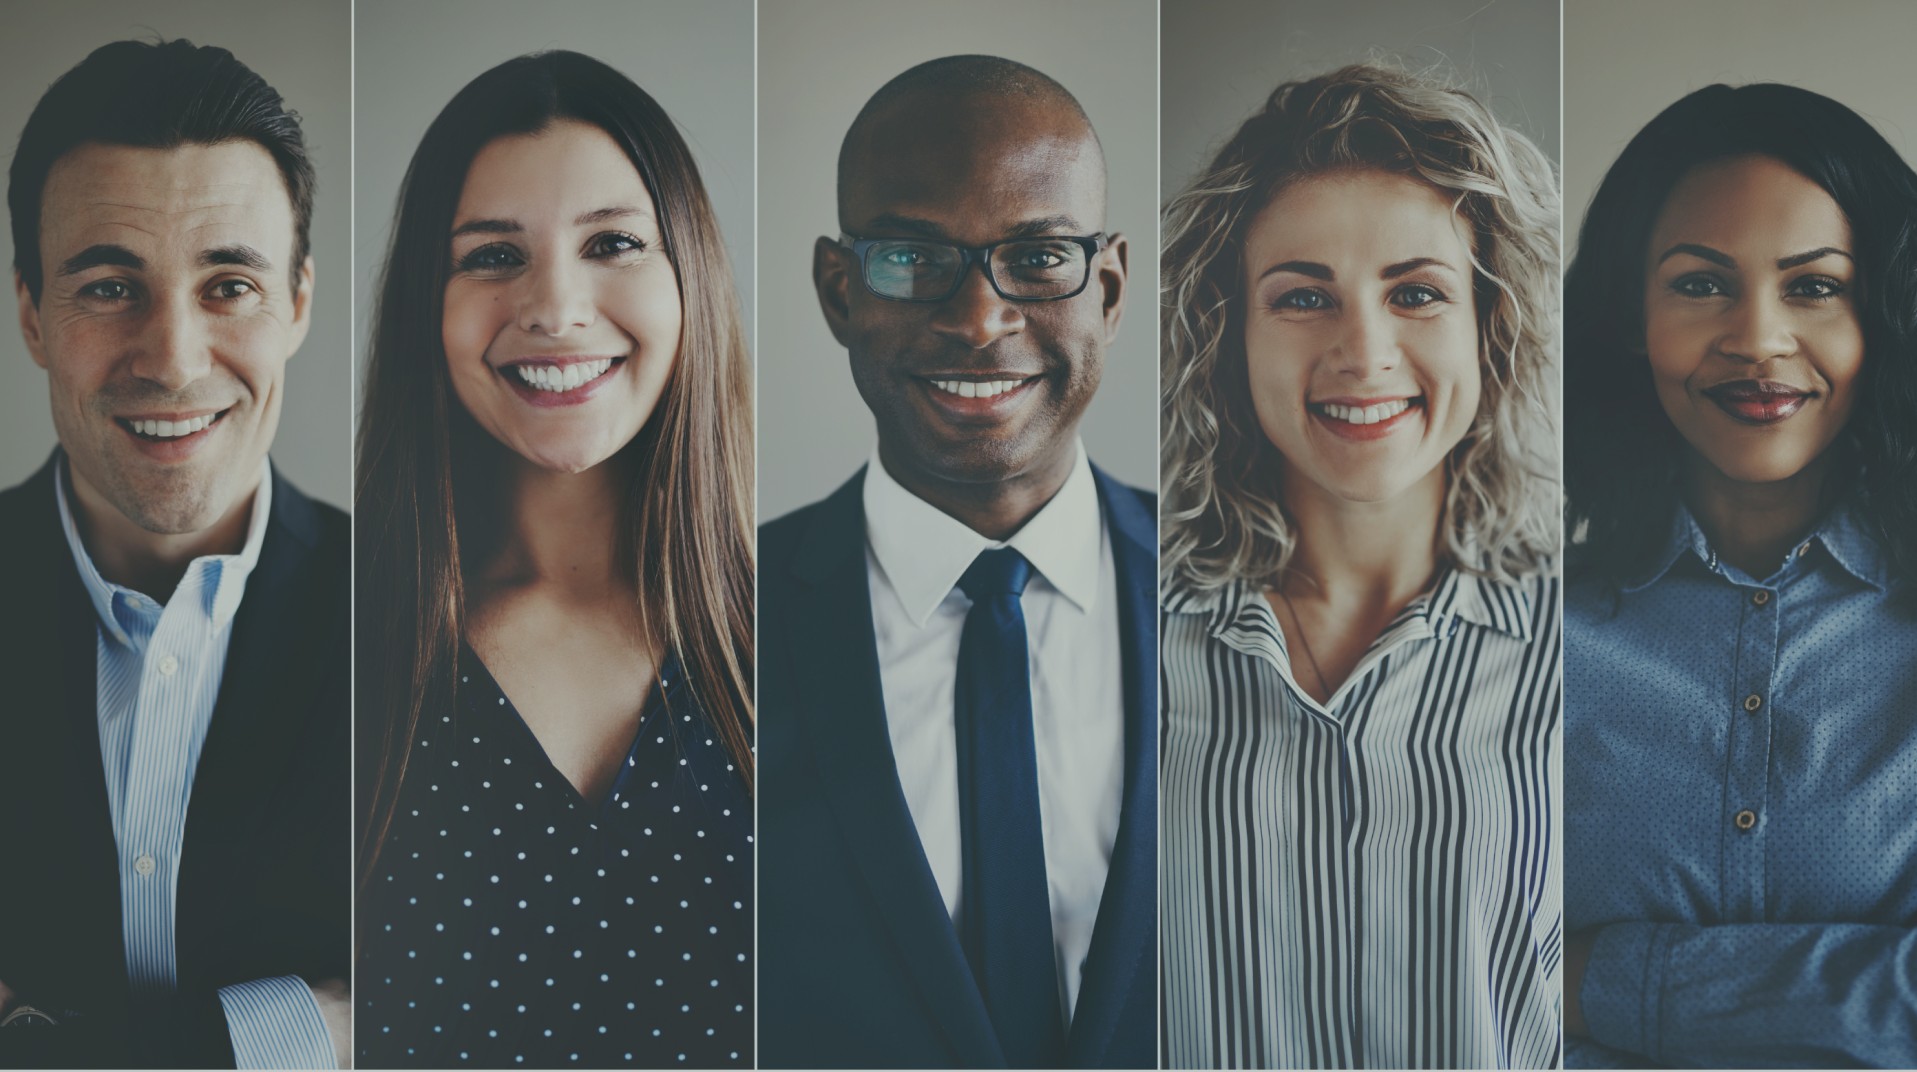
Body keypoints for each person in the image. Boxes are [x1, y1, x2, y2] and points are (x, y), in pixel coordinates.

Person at [353, 51, 755, 1068]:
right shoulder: (332, 635)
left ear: (690, 278)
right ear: (426, 305)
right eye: (493, 255)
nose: (556, 307)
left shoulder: (823, 633)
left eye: (612, 242)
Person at [1158, 64, 1563, 1069]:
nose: (1364, 351)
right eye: (1304, 297)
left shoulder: (1588, 647)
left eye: (1415, 293)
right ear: (1229, 334)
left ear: (1491, 325)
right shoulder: (1121, 643)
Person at [758, 54, 1156, 1069]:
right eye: (910, 256)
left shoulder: (1245, 589)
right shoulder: (708, 617)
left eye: (1039, 257)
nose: (979, 320)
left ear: (1110, 288)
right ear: (838, 291)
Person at [0, 38, 348, 1069]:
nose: (173, 359)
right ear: (32, 315)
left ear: (297, 303)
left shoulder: (437, 613)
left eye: (229, 284)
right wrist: (305, 1032)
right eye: (110, 287)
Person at [1562, 83, 1917, 1068]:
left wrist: (1590, 981)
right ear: (1629, 315)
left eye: (1814, 287)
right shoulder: (1522, 637)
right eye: (1699, 283)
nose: (1759, 340)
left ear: (1885, 313)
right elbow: (1457, 970)